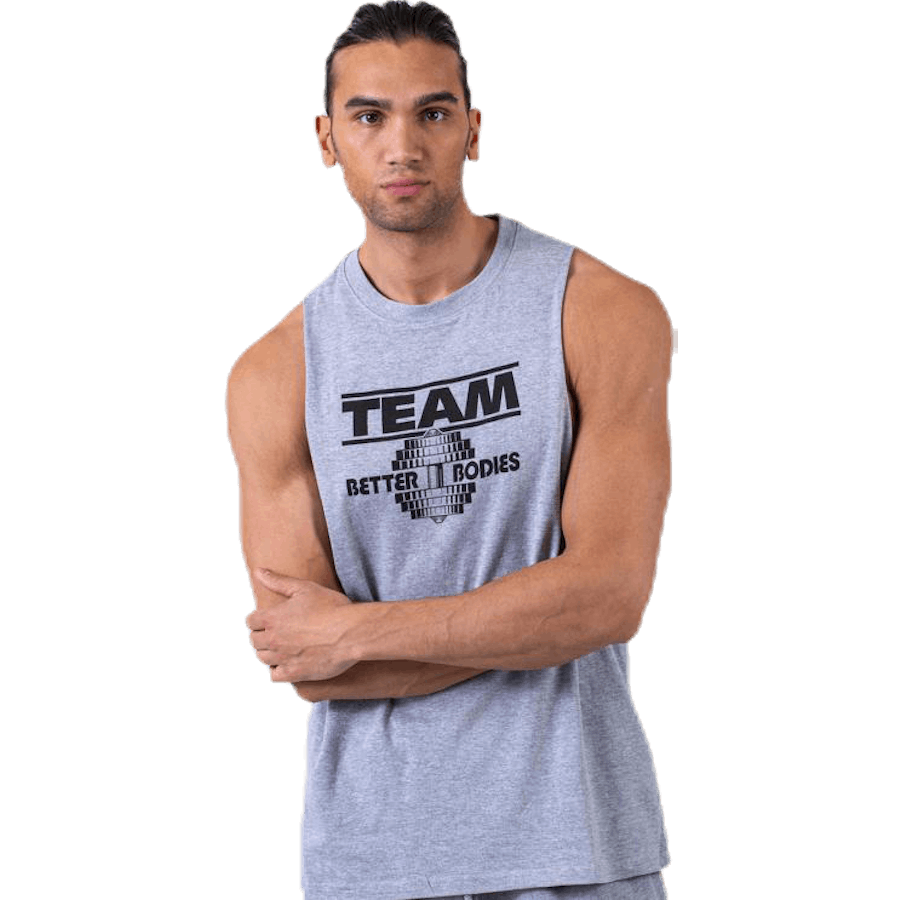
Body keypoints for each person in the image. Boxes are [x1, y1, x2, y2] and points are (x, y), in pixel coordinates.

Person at [224, 2, 676, 898]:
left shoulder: (598, 310)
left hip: (578, 844)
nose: (402, 146)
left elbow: (610, 597)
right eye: (369, 116)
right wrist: (537, 619)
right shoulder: (275, 372)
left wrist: (355, 631)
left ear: (472, 129)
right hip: (373, 863)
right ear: (326, 140)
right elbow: (306, 664)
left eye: (431, 113)